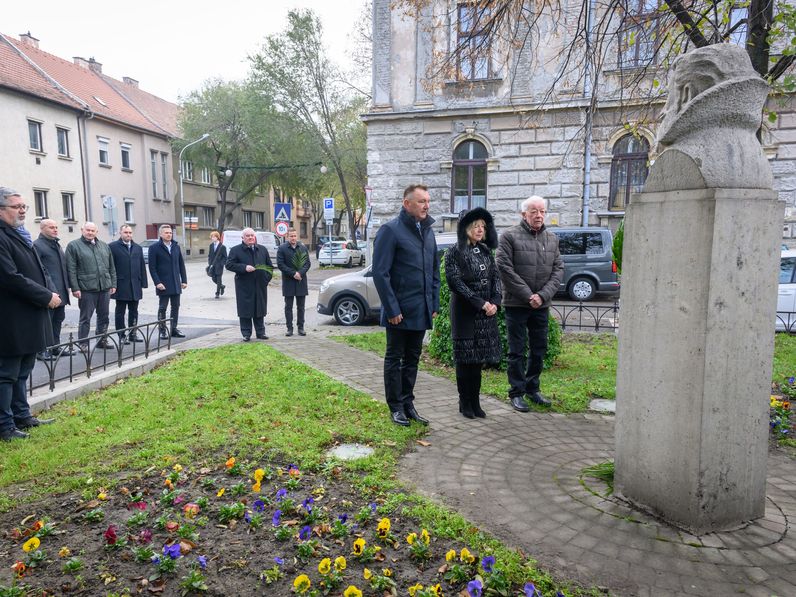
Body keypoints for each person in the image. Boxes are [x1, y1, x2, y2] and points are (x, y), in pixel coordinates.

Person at [372, 184, 440, 427]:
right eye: (421, 201)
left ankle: (408, 403)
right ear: (407, 203)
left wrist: (433, 302)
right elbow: (381, 274)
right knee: (394, 358)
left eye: (427, 201)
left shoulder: (428, 231)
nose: (426, 205)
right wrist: (392, 309)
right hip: (398, 312)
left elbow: (434, 272)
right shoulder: (390, 230)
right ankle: (396, 407)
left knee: (413, 358)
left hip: (421, 308)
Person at [495, 196, 564, 412]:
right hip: (517, 304)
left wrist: (542, 296)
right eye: (534, 211)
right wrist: (528, 296)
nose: (539, 215)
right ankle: (516, 393)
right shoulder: (509, 236)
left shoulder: (552, 239)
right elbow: (504, 268)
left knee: (538, 349)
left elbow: (558, 269)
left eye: (542, 211)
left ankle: (533, 388)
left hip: (541, 306)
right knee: (517, 351)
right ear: (523, 214)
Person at [0, 187, 58, 440]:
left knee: (23, 369)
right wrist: (45, 296)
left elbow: (40, 270)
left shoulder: (19, 234)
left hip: (29, 313)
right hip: (11, 317)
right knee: (7, 373)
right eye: (17, 206)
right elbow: (10, 277)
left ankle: (22, 416)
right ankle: (4, 426)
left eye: (24, 206)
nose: (23, 210)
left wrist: (52, 292)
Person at [444, 207, 502, 419]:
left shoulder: (486, 251)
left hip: (484, 315)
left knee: (477, 360)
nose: (480, 230)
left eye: (482, 226)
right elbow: (455, 282)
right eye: (475, 226)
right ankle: (464, 402)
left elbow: (496, 278)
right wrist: (480, 303)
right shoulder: (454, 252)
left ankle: (475, 402)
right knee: (465, 359)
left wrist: (495, 301)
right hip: (465, 313)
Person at [65, 222, 117, 351]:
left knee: (104, 316)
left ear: (96, 232)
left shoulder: (104, 246)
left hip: (104, 287)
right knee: (85, 318)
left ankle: (102, 340)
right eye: (88, 230)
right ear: (82, 230)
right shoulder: (74, 246)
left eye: (93, 230)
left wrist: (113, 284)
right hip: (86, 288)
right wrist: (75, 288)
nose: (90, 232)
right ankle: (83, 343)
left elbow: (111, 267)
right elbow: (71, 269)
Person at [226, 227, 273, 341]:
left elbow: (270, 267)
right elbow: (229, 265)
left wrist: (265, 280)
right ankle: (246, 334)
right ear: (242, 238)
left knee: (259, 309)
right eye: (248, 236)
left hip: (260, 285)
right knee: (246, 310)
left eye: (252, 235)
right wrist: (244, 267)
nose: (251, 237)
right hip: (244, 286)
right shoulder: (236, 250)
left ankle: (260, 332)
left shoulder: (262, 249)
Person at [33, 219, 71, 359]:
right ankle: (42, 350)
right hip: (48, 291)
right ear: (42, 229)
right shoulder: (38, 245)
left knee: (58, 319)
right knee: (46, 322)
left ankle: (55, 347)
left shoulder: (56, 244)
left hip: (61, 290)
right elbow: (40, 270)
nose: (55, 230)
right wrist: (49, 290)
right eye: (51, 227)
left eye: (56, 227)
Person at [147, 224, 188, 340]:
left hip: (175, 283)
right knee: (162, 308)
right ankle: (162, 330)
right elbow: (152, 268)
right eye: (166, 233)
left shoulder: (175, 246)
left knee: (176, 307)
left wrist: (184, 280)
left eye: (170, 233)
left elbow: (181, 264)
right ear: (160, 234)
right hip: (163, 284)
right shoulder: (154, 248)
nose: (169, 235)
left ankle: (174, 329)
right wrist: (157, 282)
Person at [109, 225, 148, 344]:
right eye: (126, 232)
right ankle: (121, 335)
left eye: (130, 232)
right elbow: (110, 267)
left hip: (135, 284)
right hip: (121, 285)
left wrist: (143, 282)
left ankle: (133, 333)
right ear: (120, 233)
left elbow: (142, 265)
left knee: (134, 310)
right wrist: (112, 284)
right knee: (120, 311)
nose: (128, 235)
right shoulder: (112, 247)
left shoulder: (137, 247)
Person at [276, 227, 310, 336]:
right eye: (291, 236)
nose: (293, 238)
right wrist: (293, 273)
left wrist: (300, 273)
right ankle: (289, 328)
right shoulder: (282, 248)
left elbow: (307, 263)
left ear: (297, 236)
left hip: (301, 281)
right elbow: (280, 265)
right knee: (288, 307)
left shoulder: (303, 248)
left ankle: (301, 327)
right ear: (287, 237)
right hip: (288, 282)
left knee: (301, 307)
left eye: (295, 236)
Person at [207, 231, 227, 299]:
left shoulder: (222, 246)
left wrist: (222, 264)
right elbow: (210, 255)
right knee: (213, 278)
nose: (212, 238)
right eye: (212, 237)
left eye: (214, 237)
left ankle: (217, 293)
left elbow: (225, 257)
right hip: (212, 265)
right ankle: (222, 286)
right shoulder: (211, 245)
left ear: (217, 237)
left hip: (219, 266)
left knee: (219, 279)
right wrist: (209, 263)